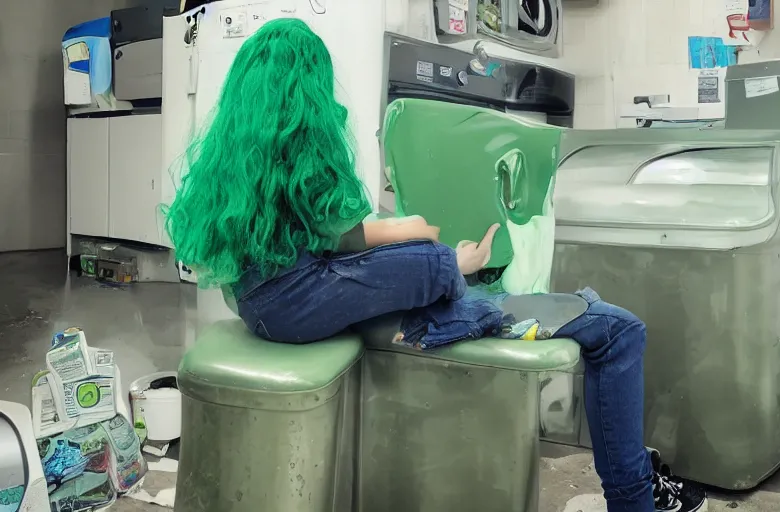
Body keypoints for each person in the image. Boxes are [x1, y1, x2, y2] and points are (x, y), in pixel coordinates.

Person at [165, 19, 706, 512]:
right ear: (309, 96)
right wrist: (449, 259)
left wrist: (408, 236)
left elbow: (331, 238)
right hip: (387, 310)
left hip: (293, 309)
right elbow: (379, 256)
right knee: (616, 329)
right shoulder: (306, 222)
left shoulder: (245, 199)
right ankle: (635, 500)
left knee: (439, 264)